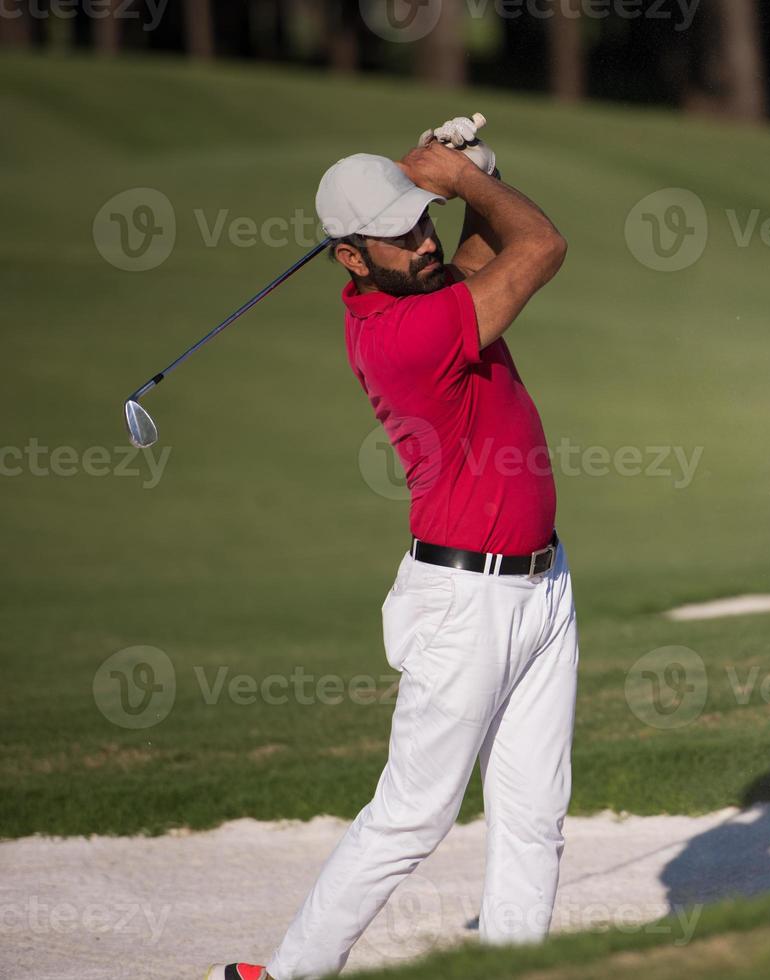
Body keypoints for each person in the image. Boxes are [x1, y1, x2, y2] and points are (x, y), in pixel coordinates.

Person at [209, 115, 576, 980]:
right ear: (349, 255)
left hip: (543, 588)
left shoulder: (426, 290)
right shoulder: (403, 337)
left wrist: (469, 169)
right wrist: (464, 182)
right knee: (413, 815)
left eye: (420, 220)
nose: (420, 241)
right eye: (398, 233)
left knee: (533, 816)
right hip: (464, 605)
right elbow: (542, 246)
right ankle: (290, 976)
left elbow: (488, 247)